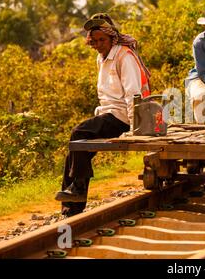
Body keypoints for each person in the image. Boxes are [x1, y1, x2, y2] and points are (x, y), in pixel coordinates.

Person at [54, 13, 151, 217]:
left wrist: (135, 127)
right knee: (75, 152)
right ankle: (71, 209)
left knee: (77, 133)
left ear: (111, 38)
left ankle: (77, 191)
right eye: (95, 40)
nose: (98, 44)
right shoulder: (101, 58)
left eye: (102, 40)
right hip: (108, 114)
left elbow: (134, 94)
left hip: (122, 117)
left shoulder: (124, 56)